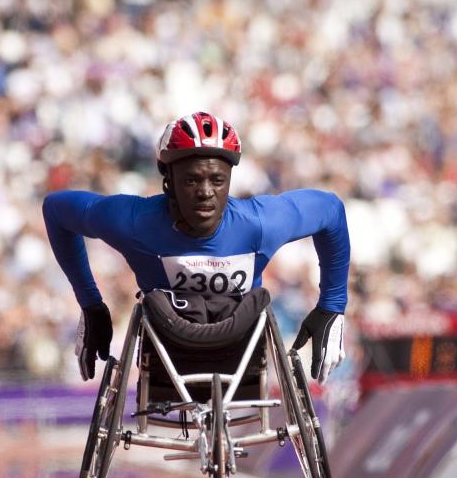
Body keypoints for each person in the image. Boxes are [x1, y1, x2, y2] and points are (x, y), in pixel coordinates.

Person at [43, 112, 350, 384]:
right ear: (169, 181)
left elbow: (332, 211)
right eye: (191, 180)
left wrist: (332, 308)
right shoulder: (133, 222)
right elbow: (55, 209)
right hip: (165, 352)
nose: (205, 192)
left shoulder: (260, 223)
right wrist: (92, 304)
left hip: (243, 350)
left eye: (217, 180)